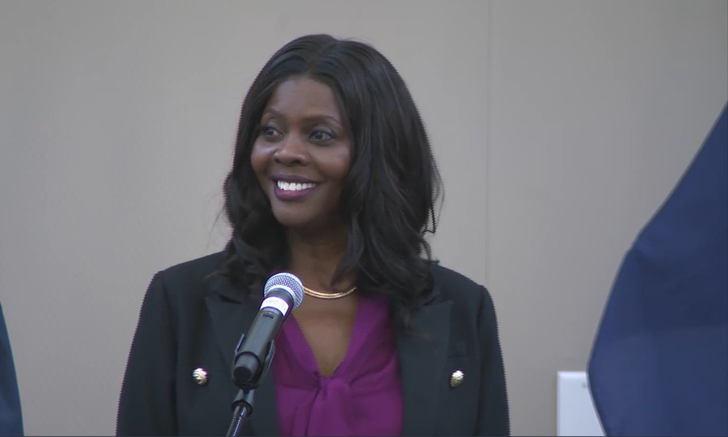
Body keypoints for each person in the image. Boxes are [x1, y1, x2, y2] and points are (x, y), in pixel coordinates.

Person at [116, 34, 509, 436]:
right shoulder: (182, 302)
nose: (286, 151)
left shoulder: (462, 309)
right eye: (270, 131)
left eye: (320, 135)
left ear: (379, 154)